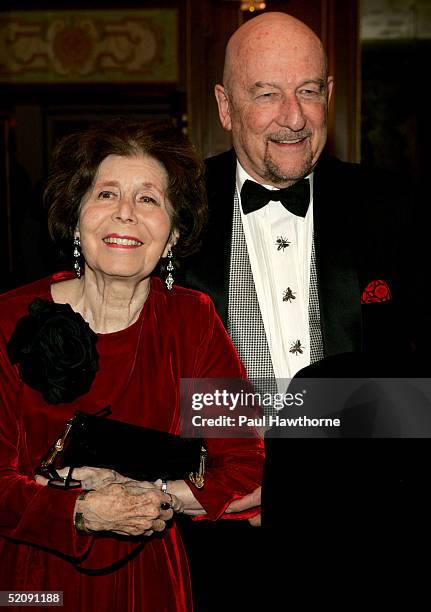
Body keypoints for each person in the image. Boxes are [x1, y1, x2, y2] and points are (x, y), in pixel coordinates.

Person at [180, 10, 426, 605]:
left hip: (368, 541)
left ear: (330, 95)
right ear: (224, 104)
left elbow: (419, 387)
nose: (293, 117)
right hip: (209, 550)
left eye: (309, 91)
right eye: (266, 93)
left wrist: (295, 477)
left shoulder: (399, 209)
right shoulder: (172, 211)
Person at [0, 119, 264, 612]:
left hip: (150, 581)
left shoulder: (191, 320)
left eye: (148, 200)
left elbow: (244, 462)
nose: (125, 214)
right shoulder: (9, 317)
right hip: (33, 581)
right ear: (76, 219)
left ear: (173, 233)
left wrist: (151, 496)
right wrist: (79, 508)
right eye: (106, 195)